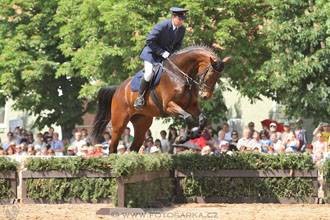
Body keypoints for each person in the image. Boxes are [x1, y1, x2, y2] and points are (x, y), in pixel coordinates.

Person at [134, 7, 189, 109]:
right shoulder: (162, 25)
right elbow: (149, 41)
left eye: (183, 20)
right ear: (173, 17)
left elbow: (178, 44)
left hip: (166, 55)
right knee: (148, 74)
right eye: (180, 19)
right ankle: (140, 98)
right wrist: (161, 52)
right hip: (151, 54)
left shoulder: (182, 29)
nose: (182, 22)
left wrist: (173, 54)